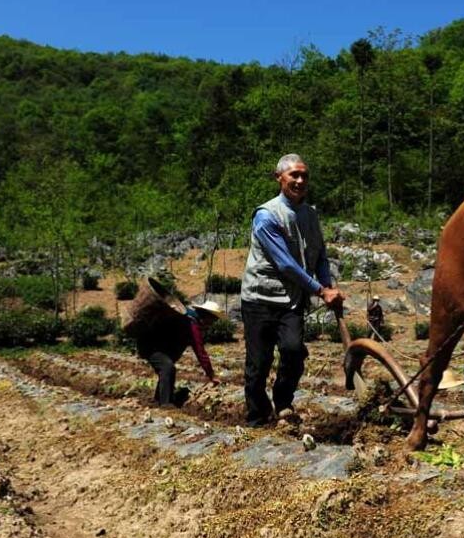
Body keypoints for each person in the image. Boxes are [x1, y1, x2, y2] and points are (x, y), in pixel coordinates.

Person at [240, 154, 345, 426]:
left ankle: (283, 402)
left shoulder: (310, 214)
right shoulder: (266, 215)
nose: (300, 180)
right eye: (293, 175)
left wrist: (329, 286)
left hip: (292, 300)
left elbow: (320, 255)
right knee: (258, 363)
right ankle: (257, 417)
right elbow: (285, 264)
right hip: (260, 299)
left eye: (304, 175)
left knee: (294, 351)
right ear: (280, 178)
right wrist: (321, 290)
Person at [138, 300, 221, 407]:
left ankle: (159, 399)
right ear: (207, 316)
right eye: (213, 320)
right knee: (167, 367)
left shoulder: (189, 319)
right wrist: (211, 375)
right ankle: (165, 404)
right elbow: (200, 351)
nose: (212, 323)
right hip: (151, 346)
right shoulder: (191, 323)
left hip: (154, 346)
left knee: (167, 369)